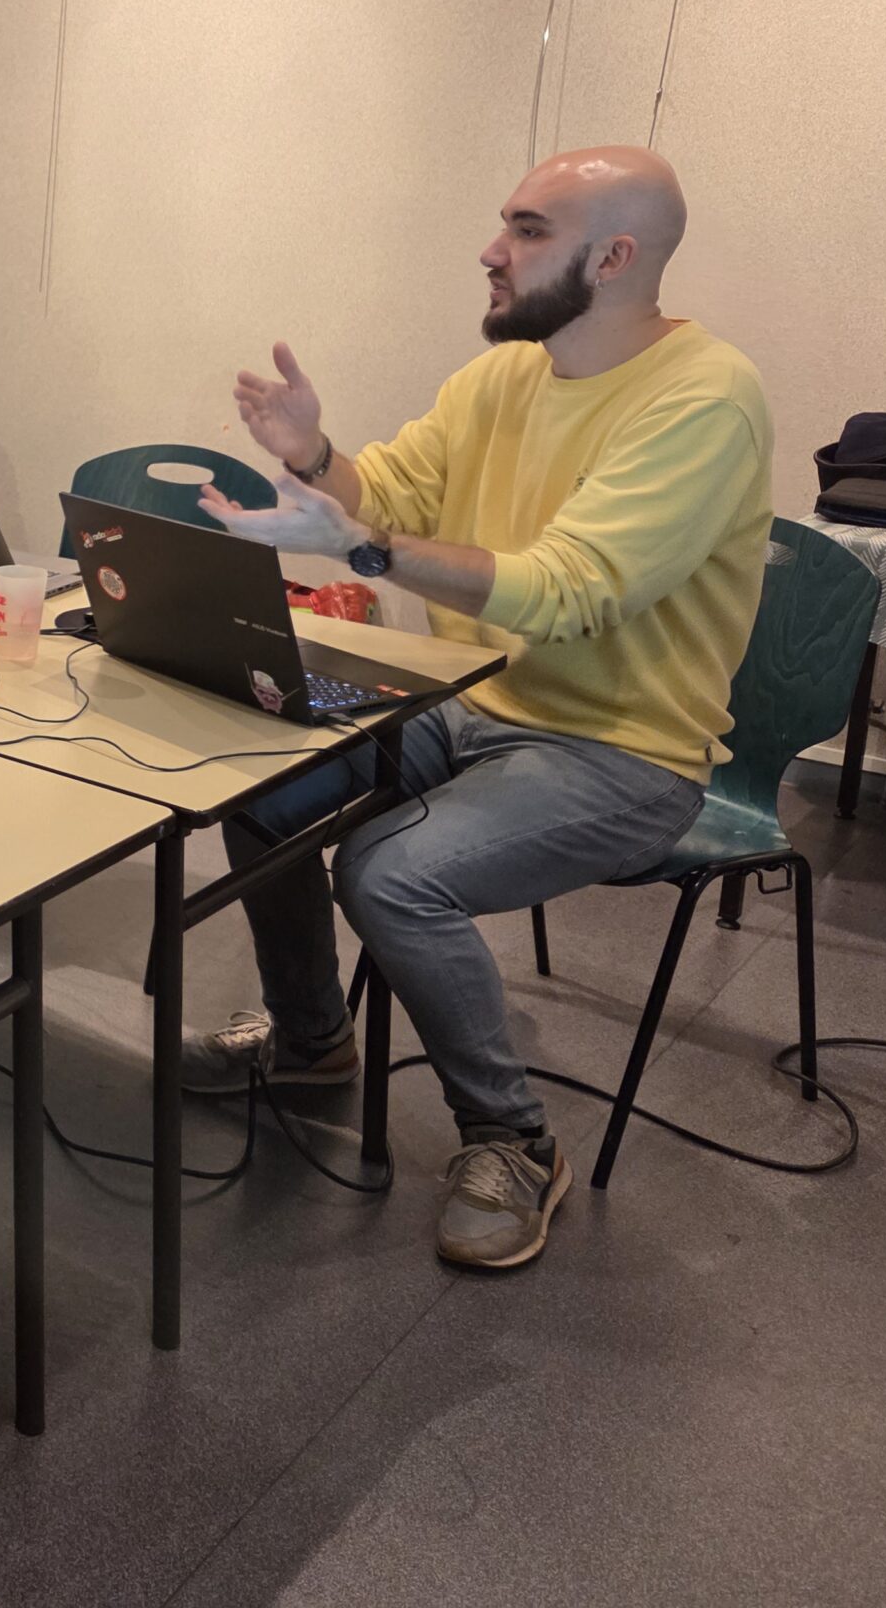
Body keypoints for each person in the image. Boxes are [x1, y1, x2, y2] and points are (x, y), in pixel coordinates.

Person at [183, 146, 773, 1271]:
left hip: (626, 749)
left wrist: (367, 546)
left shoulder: (706, 396)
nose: (492, 252)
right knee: (257, 788)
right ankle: (310, 1040)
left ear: (614, 257)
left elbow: (569, 590)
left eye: (527, 230)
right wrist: (316, 455)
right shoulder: (501, 378)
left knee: (389, 874)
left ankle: (512, 1139)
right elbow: (387, 493)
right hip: (465, 705)